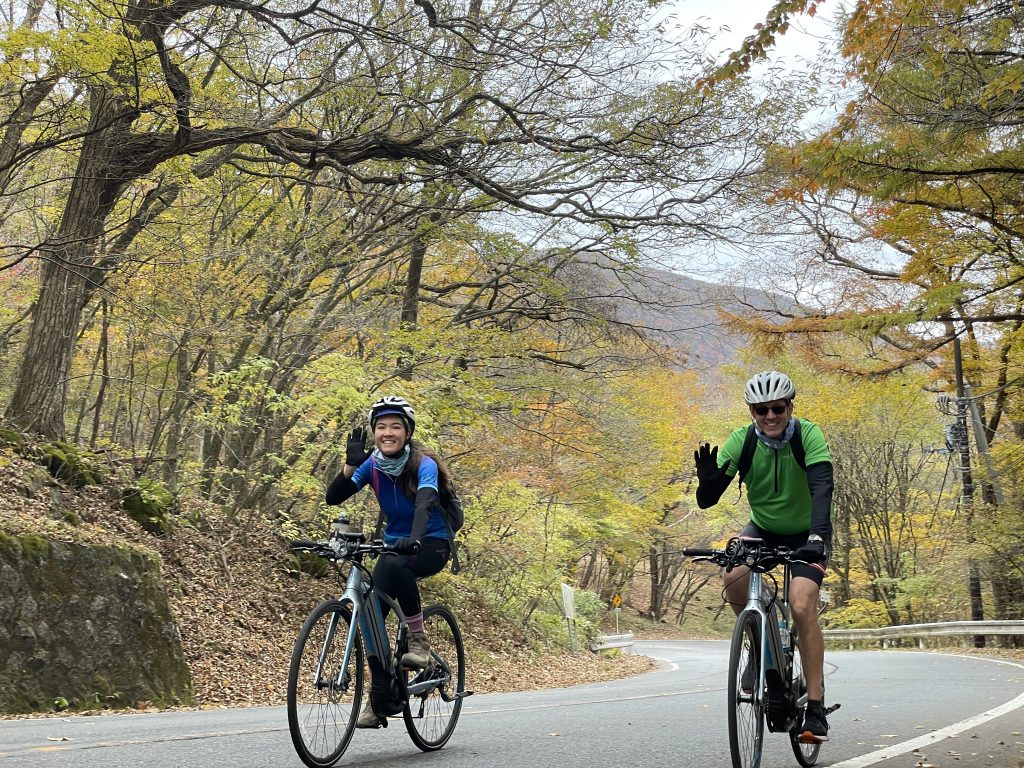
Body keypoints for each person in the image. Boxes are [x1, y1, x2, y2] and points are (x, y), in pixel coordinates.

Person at [693, 370, 834, 743]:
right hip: (763, 527)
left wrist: (817, 537)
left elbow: (822, 487)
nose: (770, 416)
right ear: (752, 412)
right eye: (761, 410)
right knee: (733, 579)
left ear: (789, 406)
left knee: (802, 606)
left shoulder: (808, 435)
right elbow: (707, 502)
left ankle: (815, 709)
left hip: (809, 530)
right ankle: (759, 644)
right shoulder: (742, 441)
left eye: (777, 408)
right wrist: (706, 481)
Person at [325, 395, 454, 728]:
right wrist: (351, 465)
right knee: (370, 618)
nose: (387, 432)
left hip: (432, 541)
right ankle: (381, 699)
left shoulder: (423, 463)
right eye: (381, 426)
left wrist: (414, 539)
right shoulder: (373, 464)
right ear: (374, 431)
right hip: (393, 543)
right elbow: (333, 497)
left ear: (407, 432)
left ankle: (418, 641)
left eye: (395, 426)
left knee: (397, 565)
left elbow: (425, 503)